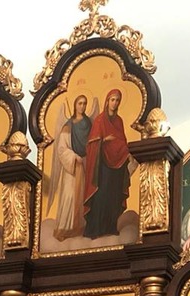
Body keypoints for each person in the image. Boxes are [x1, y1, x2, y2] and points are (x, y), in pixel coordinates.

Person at [83, 90, 135, 239]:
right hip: (103, 165)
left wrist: (126, 152)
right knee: (101, 195)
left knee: (114, 195)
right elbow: (91, 144)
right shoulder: (100, 120)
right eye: (112, 100)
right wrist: (104, 140)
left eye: (117, 100)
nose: (115, 103)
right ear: (107, 101)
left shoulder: (119, 121)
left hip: (118, 165)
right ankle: (95, 229)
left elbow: (122, 140)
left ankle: (111, 226)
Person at [50, 95, 93, 241]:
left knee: (82, 195)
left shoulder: (88, 123)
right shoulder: (68, 126)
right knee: (69, 195)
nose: (82, 106)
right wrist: (74, 157)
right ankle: (65, 228)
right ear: (75, 105)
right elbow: (61, 149)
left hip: (85, 163)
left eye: (84, 103)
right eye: (80, 103)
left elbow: (92, 143)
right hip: (72, 167)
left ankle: (79, 226)